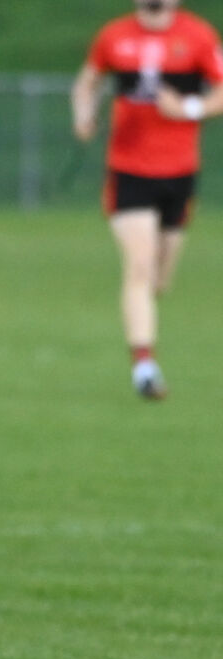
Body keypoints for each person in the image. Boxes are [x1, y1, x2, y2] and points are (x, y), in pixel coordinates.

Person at [70, 0, 223, 400]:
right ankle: (144, 368)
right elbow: (87, 81)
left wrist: (189, 107)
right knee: (138, 265)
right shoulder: (114, 36)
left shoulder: (199, 36)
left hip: (179, 173)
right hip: (129, 171)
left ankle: (142, 326)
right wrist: (83, 114)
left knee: (158, 280)